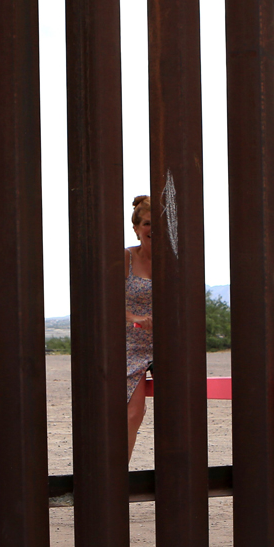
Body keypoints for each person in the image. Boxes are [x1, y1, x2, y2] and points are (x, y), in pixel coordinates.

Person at [126, 195, 153, 460]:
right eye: (147, 223)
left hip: (164, 343)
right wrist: (134, 316)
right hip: (130, 344)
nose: (152, 229)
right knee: (133, 413)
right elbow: (103, 301)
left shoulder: (174, 260)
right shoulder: (125, 258)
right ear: (136, 228)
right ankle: (118, 472)